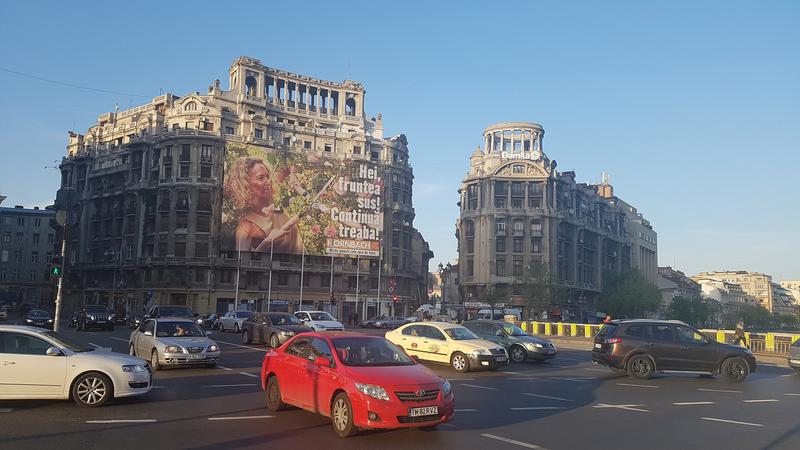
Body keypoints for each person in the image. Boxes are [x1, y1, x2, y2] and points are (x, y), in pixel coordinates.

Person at [224, 157, 304, 254]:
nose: (268, 181)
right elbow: (241, 263)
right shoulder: (246, 226)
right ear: (246, 185)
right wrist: (267, 242)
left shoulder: (278, 212)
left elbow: (291, 161)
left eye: (267, 176)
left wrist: (292, 175)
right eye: (260, 178)